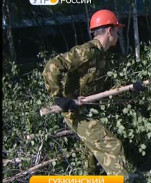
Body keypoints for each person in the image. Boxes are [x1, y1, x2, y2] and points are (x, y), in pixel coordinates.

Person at [43, 9, 144, 180]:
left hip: (86, 108)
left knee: (92, 158)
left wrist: (131, 88)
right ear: (110, 31)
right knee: (112, 146)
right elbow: (52, 66)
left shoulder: (102, 56)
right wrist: (60, 99)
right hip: (73, 111)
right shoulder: (87, 51)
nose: (118, 36)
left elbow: (106, 89)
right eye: (117, 31)